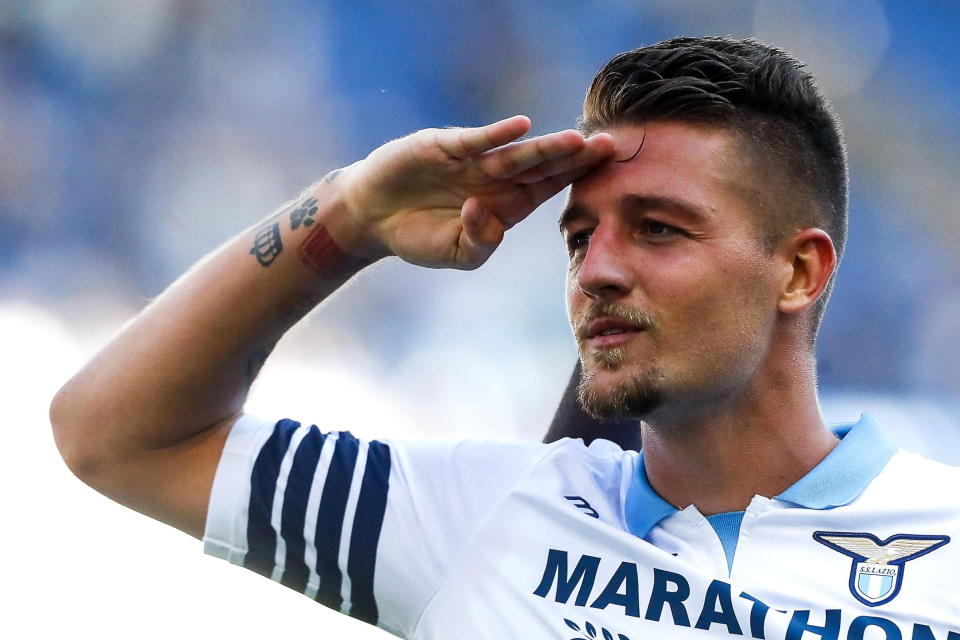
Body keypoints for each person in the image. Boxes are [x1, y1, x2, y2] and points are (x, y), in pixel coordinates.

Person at [50, 36, 960, 638]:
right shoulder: (474, 516)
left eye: (658, 229)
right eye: (578, 237)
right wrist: (351, 214)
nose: (595, 270)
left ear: (799, 271)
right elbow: (114, 434)